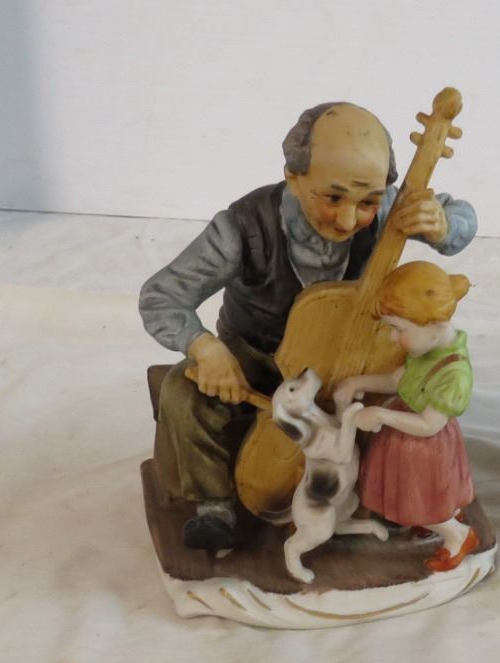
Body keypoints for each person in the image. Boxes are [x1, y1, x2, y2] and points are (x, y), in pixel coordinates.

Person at [140, 101, 477, 550]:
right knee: (184, 393)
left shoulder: (386, 209)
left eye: (367, 202)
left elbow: (461, 217)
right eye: (332, 198)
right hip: (257, 354)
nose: (348, 219)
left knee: (409, 393)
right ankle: (213, 506)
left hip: (345, 360)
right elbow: (161, 295)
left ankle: (387, 496)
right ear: (293, 176)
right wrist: (204, 346)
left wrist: (443, 223)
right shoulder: (242, 227)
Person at [336, 262, 479, 573]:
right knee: (419, 500)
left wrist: (380, 414)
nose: (391, 337)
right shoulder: (426, 350)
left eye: (399, 329)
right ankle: (434, 519)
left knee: (422, 500)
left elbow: (429, 425)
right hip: (405, 439)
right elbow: (396, 382)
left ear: (435, 327)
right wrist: (357, 382)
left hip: (424, 448)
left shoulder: (454, 374)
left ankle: (458, 536)